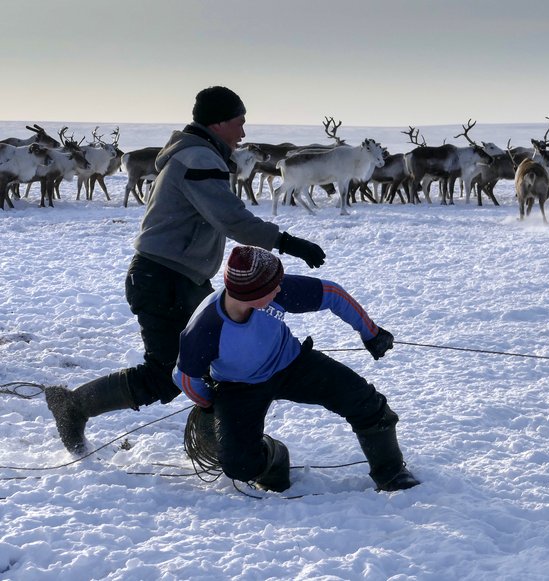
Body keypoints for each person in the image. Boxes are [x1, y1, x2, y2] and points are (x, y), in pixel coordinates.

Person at [46, 86, 327, 455]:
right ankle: (73, 406)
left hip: (180, 278)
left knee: (213, 358)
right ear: (219, 121)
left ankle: (221, 445)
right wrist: (289, 242)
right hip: (162, 278)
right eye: (239, 123)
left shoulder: (196, 154)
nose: (243, 134)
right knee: (166, 374)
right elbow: (231, 219)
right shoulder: (198, 158)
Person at [174, 245, 419, 492]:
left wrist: (371, 333)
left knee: (364, 400)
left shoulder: (272, 291)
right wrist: (209, 404)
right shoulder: (206, 326)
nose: (280, 289)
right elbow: (184, 377)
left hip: (290, 363)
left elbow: (332, 293)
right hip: (238, 387)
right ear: (251, 295)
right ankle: (274, 458)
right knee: (239, 464)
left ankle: (391, 472)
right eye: (274, 287)